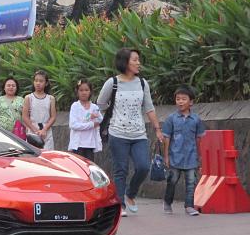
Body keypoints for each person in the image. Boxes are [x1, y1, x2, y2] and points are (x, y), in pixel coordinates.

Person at [97, 48, 164, 217]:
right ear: (125, 62)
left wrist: (157, 129)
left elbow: (149, 108)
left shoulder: (142, 83)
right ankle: (121, 205)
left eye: (138, 60)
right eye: (135, 60)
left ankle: (131, 193)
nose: (138, 63)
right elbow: (101, 104)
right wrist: (113, 114)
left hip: (139, 133)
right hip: (117, 133)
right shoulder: (112, 82)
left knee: (143, 166)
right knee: (121, 170)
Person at [162, 86, 206, 216]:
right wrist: (166, 156)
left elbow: (199, 140)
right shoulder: (171, 119)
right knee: (172, 181)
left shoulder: (196, 120)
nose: (180, 102)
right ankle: (167, 202)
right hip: (175, 156)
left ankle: (189, 206)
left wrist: (200, 157)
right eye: (178, 99)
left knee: (191, 183)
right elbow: (167, 138)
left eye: (183, 99)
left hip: (191, 157)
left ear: (191, 102)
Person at [68, 79, 102, 161]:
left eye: (86, 90)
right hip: (78, 144)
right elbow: (73, 125)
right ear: (77, 92)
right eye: (81, 90)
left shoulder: (94, 107)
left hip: (90, 144)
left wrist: (95, 118)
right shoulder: (75, 106)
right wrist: (91, 124)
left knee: (89, 168)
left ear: (90, 92)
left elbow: (100, 119)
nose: (84, 92)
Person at [22, 70, 57, 150]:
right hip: (32, 131)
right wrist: (35, 130)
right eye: (36, 80)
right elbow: (25, 117)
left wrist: (44, 129)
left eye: (41, 81)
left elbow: (53, 117)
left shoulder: (51, 99)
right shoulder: (28, 98)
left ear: (46, 83)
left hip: (46, 131)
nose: (38, 83)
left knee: (48, 156)